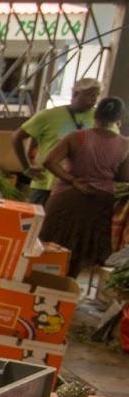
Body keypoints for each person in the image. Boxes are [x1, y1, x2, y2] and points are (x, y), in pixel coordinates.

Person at [39, 96, 129, 277]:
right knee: (82, 249)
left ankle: (43, 281)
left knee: (50, 243)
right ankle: (68, 285)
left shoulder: (77, 137)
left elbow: (49, 161)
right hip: (99, 201)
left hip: (67, 197)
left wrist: (72, 180)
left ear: (95, 114)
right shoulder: (125, 144)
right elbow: (124, 176)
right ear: (119, 118)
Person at [15, 77, 99, 205]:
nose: (94, 99)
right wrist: (26, 167)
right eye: (90, 95)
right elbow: (17, 137)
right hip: (46, 183)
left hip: (81, 185)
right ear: (76, 94)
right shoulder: (49, 115)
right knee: (34, 221)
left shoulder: (99, 119)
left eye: (96, 96)